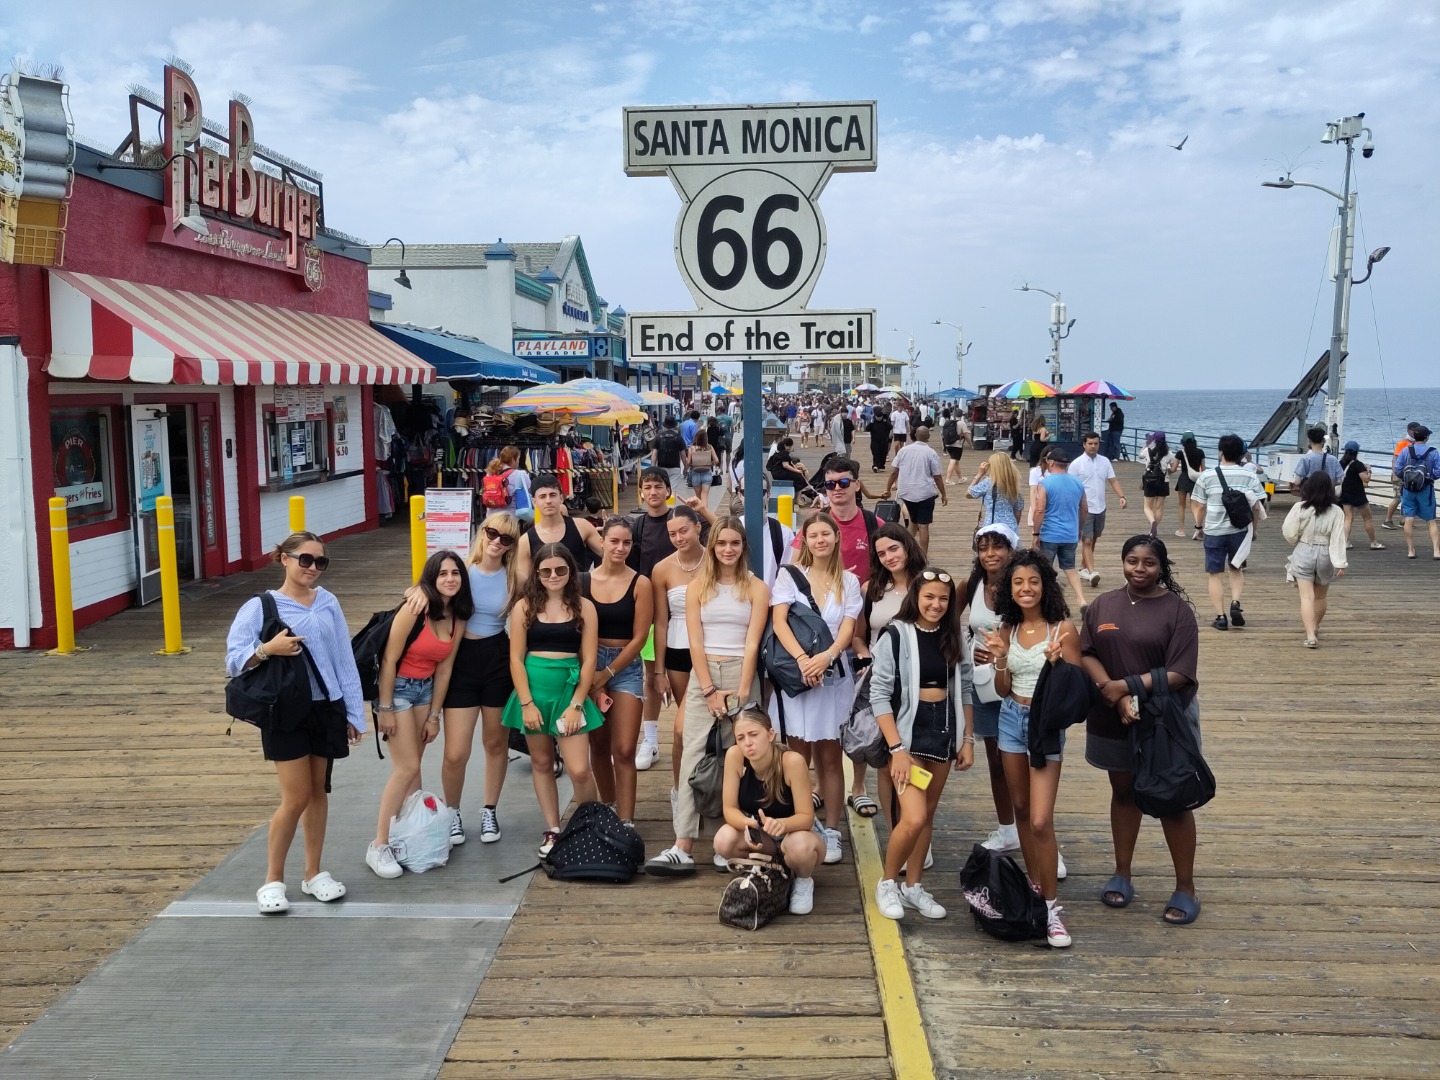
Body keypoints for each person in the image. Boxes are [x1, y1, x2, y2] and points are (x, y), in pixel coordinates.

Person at [225, 532, 365, 914]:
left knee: (319, 791)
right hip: (285, 709)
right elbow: (233, 660)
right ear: (284, 558)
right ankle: (272, 879)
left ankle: (314, 873)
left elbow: (343, 658)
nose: (313, 568)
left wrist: (353, 712)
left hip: (326, 706)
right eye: (305, 559)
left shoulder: (328, 602)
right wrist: (267, 649)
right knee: (296, 796)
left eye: (321, 562)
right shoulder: (260, 606)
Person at [1079, 535, 1203, 925]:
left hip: (1164, 719)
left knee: (1173, 798)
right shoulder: (1103, 605)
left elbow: (1181, 672)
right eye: (1132, 560)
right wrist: (1113, 693)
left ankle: (1186, 887)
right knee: (1123, 792)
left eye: (1149, 563)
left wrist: (1127, 687)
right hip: (1112, 714)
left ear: (1161, 567)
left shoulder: (1177, 611)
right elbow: (1087, 652)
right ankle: (1122, 872)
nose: (1139, 569)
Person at [647, 518, 770, 875]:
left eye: (735, 543)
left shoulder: (756, 588)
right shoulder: (697, 588)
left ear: (743, 547)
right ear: (712, 547)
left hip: (741, 674)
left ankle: (725, 840)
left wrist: (743, 690)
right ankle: (682, 843)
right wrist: (709, 689)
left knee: (738, 757)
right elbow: (695, 642)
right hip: (705, 677)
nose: (728, 550)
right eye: (721, 544)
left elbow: (752, 642)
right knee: (692, 753)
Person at [982, 549, 1082, 948]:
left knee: (1041, 820)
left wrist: (1059, 665)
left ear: (1045, 586)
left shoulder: (1062, 629)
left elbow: (1075, 692)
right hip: (1010, 719)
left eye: (1033, 581)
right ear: (1010, 589)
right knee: (1021, 809)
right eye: (1018, 582)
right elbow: (1002, 689)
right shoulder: (1007, 629)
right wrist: (1000, 659)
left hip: (1045, 727)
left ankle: (1052, 909)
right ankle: (1036, 887)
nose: (1026, 588)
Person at [869, 568, 976, 920]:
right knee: (912, 817)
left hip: (943, 730)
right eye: (929, 597)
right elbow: (879, 695)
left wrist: (967, 739)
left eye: (944, 599)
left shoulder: (953, 635)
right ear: (915, 597)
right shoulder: (896, 634)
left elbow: (965, 688)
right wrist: (896, 750)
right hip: (907, 734)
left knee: (927, 814)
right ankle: (888, 882)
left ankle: (913, 887)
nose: (936, 604)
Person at [366, 550, 470, 879]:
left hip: (425, 690)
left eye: (455, 573)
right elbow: (389, 659)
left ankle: (409, 833)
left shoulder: (458, 617)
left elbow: (445, 669)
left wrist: (435, 715)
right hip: (396, 688)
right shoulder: (415, 609)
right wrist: (384, 708)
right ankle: (379, 844)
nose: (450, 579)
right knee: (406, 767)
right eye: (443, 574)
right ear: (431, 578)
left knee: (414, 769)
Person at [768, 511, 863, 865]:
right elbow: (779, 621)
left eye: (826, 534)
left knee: (830, 756)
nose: (820, 540)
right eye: (814, 535)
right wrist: (802, 660)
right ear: (804, 540)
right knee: (797, 756)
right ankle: (800, 825)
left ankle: (833, 829)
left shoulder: (849, 581)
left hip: (832, 676)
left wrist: (827, 657)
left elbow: (848, 628)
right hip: (797, 676)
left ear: (836, 537)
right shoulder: (790, 576)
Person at [502, 543, 603, 857]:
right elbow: (516, 659)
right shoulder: (524, 607)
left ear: (571, 571)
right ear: (536, 573)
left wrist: (577, 703)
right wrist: (526, 703)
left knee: (579, 769)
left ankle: (590, 825)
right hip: (534, 692)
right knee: (542, 763)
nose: (553, 575)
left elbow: (589, 660)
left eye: (560, 569)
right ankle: (553, 828)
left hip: (568, 692)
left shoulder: (585, 607)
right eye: (545, 571)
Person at [428, 512, 520, 847]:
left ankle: (489, 809)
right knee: (455, 752)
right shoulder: (460, 572)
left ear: (512, 545)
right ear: (482, 532)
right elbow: (430, 592)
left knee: (495, 743)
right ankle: (452, 812)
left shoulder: (516, 579)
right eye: (492, 533)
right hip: (460, 659)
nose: (497, 542)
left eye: (506, 538)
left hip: (497, 657)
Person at [713, 707, 826, 914]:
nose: (748, 743)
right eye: (740, 738)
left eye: (754, 734)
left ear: (770, 734)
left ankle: (803, 879)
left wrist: (782, 824)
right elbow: (729, 809)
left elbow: (806, 818)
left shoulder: (791, 761)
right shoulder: (735, 756)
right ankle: (770, 871)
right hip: (762, 833)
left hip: (795, 833)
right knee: (723, 839)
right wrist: (748, 824)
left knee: (799, 846)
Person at [852, 524, 926, 825]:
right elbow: (859, 637)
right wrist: (866, 658)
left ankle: (917, 826)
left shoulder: (927, 585)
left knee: (917, 756)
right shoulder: (871, 589)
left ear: (907, 546)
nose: (889, 557)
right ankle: (897, 829)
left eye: (893, 548)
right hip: (881, 684)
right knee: (886, 761)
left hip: (919, 683)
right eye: (881, 553)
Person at [580, 517, 653, 826]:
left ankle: (626, 821)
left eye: (626, 543)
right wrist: (593, 675)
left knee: (623, 749)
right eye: (614, 541)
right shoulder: (582, 581)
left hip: (625, 665)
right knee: (597, 743)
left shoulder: (641, 583)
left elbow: (640, 638)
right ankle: (608, 806)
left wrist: (607, 673)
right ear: (601, 542)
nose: (620, 548)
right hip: (590, 661)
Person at [960, 523, 1024, 858]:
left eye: (997, 547)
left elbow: (1042, 629)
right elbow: (943, 623)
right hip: (984, 685)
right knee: (997, 761)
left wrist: (1006, 653)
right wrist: (967, 650)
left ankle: (1039, 835)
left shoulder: (1024, 584)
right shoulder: (972, 584)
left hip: (1022, 685)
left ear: (1012, 550)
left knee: (1027, 763)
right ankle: (1008, 830)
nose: (990, 554)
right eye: (983, 547)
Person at [651, 505, 707, 804]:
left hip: (712, 649)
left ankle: (710, 787)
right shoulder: (662, 569)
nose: (678, 538)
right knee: (683, 729)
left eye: (683, 531)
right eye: (672, 534)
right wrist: (658, 670)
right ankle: (679, 792)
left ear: (698, 527)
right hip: (678, 650)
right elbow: (661, 622)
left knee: (709, 725)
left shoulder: (716, 559)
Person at [1190, 434, 1267, 630]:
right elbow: (1257, 506)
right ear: (1241, 454)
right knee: (1236, 568)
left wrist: (1198, 527)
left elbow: (1200, 506)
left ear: (1220, 452)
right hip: (1239, 530)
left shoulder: (1207, 476)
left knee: (1215, 574)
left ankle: (1221, 617)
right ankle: (1235, 602)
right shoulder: (1249, 475)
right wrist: (1254, 530)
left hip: (1214, 530)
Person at [1281, 472, 1349, 647]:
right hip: (1326, 553)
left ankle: (1310, 635)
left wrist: (1296, 539)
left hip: (1304, 550)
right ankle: (1315, 626)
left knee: (1306, 597)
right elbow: (1338, 538)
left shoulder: (1300, 507)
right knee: (1320, 597)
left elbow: (1289, 532)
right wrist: (1340, 562)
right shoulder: (1336, 511)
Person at [516, 474, 603, 578]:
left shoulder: (582, 526)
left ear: (561, 498)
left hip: (579, 587)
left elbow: (610, 554)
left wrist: (594, 579)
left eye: (553, 495)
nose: (548, 501)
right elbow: (523, 580)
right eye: (542, 496)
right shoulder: (526, 541)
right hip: (543, 589)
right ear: (534, 502)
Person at [1068, 431, 1127, 586]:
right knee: (1086, 540)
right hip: (1084, 508)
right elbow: (1069, 486)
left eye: (1096, 443)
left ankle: (1083, 568)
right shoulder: (1076, 464)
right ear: (1084, 444)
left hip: (1100, 506)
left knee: (1093, 538)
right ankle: (1092, 571)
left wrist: (1121, 496)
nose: (1093, 446)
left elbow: (1113, 480)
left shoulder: (1105, 461)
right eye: (1090, 443)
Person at [1032, 450, 1089, 608]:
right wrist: (1079, 529)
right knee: (1070, 568)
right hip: (1070, 534)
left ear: (1051, 463)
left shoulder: (1045, 483)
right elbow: (1084, 509)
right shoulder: (1078, 483)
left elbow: (1039, 510)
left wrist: (1036, 533)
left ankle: (1048, 603)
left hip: (1050, 534)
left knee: (1045, 570)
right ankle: (1081, 599)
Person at [884, 426, 947, 555]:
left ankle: (907, 552)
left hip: (906, 492)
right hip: (925, 493)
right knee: (923, 526)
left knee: (912, 522)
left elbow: (894, 472)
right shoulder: (931, 453)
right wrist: (943, 494)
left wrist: (888, 489)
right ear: (928, 436)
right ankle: (923, 557)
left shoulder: (903, 450)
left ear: (915, 435)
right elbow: (937, 477)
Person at [1393, 425, 1440, 559]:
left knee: (1409, 519)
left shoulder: (1405, 450)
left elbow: (1397, 469)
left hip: (1408, 489)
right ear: (1426, 437)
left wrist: (1406, 479)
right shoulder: (1433, 452)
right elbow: (1438, 471)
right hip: (1426, 489)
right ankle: (1436, 551)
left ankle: (1411, 550)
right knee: (1431, 520)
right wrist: (1430, 477)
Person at [1337, 441, 1383, 551]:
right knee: (1367, 518)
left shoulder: (1341, 463)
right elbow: (1366, 479)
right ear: (1356, 452)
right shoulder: (1358, 464)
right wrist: (1369, 470)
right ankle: (1373, 542)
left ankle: (1345, 542)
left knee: (1348, 518)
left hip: (1345, 493)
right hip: (1358, 495)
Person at [968, 453, 1025, 534]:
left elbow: (969, 493)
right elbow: (1018, 512)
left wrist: (979, 475)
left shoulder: (988, 483)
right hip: (1010, 527)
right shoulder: (1015, 484)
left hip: (991, 526)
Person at [1381, 422, 1422, 530]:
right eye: (1414, 430)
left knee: (1408, 497)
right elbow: (1395, 459)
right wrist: (1395, 473)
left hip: (1410, 475)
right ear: (1409, 430)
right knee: (1397, 498)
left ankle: (1404, 520)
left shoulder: (1416, 443)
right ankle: (1387, 520)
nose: (1416, 432)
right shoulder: (1403, 443)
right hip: (1400, 475)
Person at [1291, 425, 1343, 493]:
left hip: (1310, 496)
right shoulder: (1333, 460)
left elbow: (1297, 482)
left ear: (1309, 441)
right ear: (1324, 440)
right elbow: (1339, 481)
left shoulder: (1306, 459)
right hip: (1328, 496)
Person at [1141, 432, 1174, 538]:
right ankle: (1153, 530)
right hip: (1163, 481)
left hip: (1150, 481)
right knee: (1159, 507)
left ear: (1154, 440)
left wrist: (1147, 444)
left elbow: (1140, 456)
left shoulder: (1148, 451)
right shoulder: (1169, 453)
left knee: (1147, 507)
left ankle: (1153, 523)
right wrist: (1166, 472)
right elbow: (1173, 468)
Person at [1173, 433, 1205, 540]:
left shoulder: (1180, 453)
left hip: (1183, 479)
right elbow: (1203, 469)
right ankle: (1198, 527)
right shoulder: (1200, 452)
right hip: (1196, 480)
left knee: (1181, 505)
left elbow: (1174, 468)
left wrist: (1167, 472)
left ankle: (1181, 530)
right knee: (1194, 505)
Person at [649, 416, 686, 493]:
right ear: (674, 425)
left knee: (662, 489)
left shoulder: (658, 437)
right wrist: (685, 468)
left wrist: (652, 467)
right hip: (675, 467)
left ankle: (664, 500)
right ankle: (671, 500)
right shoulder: (678, 437)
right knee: (672, 490)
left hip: (661, 467)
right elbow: (683, 455)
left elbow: (654, 453)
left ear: (664, 425)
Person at [685, 428, 718, 505]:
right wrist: (710, 464)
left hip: (695, 473)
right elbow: (716, 460)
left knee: (698, 497)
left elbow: (688, 462)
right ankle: (705, 511)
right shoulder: (709, 447)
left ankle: (699, 511)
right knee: (704, 496)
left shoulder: (692, 448)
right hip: (707, 472)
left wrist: (687, 460)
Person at [941, 408, 970, 484]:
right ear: (962, 415)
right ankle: (948, 480)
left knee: (956, 462)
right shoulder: (962, 423)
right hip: (956, 445)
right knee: (953, 461)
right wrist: (971, 444)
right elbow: (966, 435)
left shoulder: (948, 423)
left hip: (948, 444)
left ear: (953, 414)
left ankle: (960, 478)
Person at [868, 408, 892, 473]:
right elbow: (867, 428)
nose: (878, 418)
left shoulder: (885, 422)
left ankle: (881, 466)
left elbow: (890, 427)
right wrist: (871, 423)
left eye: (880, 417)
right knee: (876, 453)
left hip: (884, 441)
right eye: (877, 417)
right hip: (875, 441)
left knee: (883, 454)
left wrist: (886, 422)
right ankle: (875, 465)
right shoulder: (873, 423)